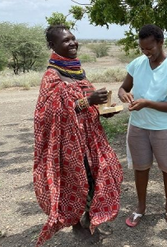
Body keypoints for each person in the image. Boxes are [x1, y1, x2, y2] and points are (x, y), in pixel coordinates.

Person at [33, 25, 123, 246]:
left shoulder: (77, 71)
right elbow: (46, 114)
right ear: (53, 46)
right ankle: (77, 224)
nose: (72, 43)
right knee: (75, 181)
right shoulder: (52, 76)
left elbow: (83, 103)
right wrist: (88, 102)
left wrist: (102, 110)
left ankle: (91, 218)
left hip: (90, 138)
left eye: (73, 39)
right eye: (65, 41)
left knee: (100, 174)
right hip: (67, 143)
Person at [118, 24, 167, 227]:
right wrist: (124, 95)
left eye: (150, 49)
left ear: (160, 43)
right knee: (140, 167)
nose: (146, 53)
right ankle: (140, 207)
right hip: (138, 126)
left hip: (164, 128)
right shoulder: (137, 63)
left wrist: (146, 102)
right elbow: (123, 88)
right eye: (143, 49)